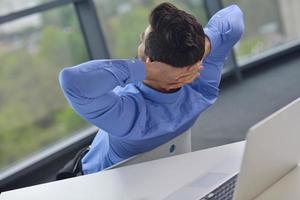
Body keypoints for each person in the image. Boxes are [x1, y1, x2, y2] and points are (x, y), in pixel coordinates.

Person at [56, 2, 244, 179]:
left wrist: (148, 72)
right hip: (166, 178)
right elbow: (234, 15)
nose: (140, 39)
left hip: (89, 183)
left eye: (142, 40)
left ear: (150, 62)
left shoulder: (128, 115)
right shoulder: (202, 90)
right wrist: (205, 46)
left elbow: (72, 81)